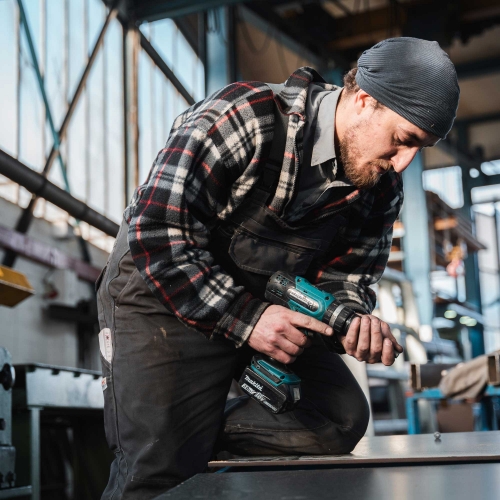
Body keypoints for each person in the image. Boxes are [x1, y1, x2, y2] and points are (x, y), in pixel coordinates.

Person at [96, 37, 459, 499]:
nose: (402, 162)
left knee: (336, 419)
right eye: (402, 140)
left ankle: (187, 436)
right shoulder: (244, 117)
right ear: (365, 100)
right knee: (156, 473)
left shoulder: (380, 188)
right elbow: (158, 231)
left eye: (419, 149)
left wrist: (347, 320)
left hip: (264, 310)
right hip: (163, 295)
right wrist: (248, 320)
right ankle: (170, 444)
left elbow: (349, 278)